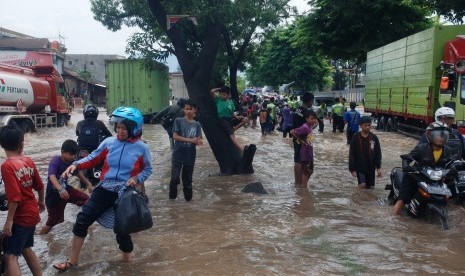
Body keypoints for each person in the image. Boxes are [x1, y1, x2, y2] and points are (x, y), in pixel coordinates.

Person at [53, 106, 153, 271]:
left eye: (124, 128)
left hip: (125, 193)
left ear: (135, 128)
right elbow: (92, 158)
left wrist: (136, 178)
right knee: (82, 220)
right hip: (104, 188)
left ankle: (127, 264)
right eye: (118, 127)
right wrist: (76, 164)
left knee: (122, 230)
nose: (120, 131)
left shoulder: (142, 148)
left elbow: (148, 170)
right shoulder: (108, 143)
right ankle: (72, 261)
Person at [0, 124, 45, 276]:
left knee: (10, 256)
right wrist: (41, 201)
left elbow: (15, 197)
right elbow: (39, 186)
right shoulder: (28, 161)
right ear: (21, 143)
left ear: (1, 144)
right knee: (26, 249)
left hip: (21, 217)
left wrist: (9, 220)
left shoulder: (7, 166)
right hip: (32, 213)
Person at [392, 122, 459, 215]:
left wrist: (453, 168)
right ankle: (393, 219)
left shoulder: (448, 150)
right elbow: (407, 158)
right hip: (417, 177)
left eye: (444, 135)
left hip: (435, 179)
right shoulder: (421, 148)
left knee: (448, 195)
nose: (441, 138)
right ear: (429, 135)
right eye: (438, 135)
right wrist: (406, 167)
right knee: (403, 199)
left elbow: (450, 162)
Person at [38, 140, 93, 235]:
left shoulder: (71, 162)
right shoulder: (55, 161)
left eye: (74, 155)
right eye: (71, 154)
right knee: (52, 222)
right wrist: (60, 189)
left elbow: (77, 172)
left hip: (66, 191)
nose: (73, 157)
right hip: (53, 196)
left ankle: (84, 223)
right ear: (63, 152)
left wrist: (88, 183)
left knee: (86, 199)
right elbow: (52, 176)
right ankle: (39, 236)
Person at [169, 99, 203, 201]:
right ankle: (172, 201)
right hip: (178, 154)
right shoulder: (178, 121)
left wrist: (198, 141)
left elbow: (199, 139)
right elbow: (175, 136)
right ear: (184, 110)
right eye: (186, 109)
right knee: (174, 179)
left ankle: (188, 203)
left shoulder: (197, 124)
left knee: (187, 181)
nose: (188, 111)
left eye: (190, 109)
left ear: (195, 110)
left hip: (190, 156)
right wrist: (190, 140)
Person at [211, 86, 248, 152]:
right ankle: (241, 148)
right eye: (221, 94)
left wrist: (237, 117)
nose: (222, 96)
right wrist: (220, 88)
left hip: (230, 118)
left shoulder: (231, 102)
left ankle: (233, 129)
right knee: (232, 135)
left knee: (245, 119)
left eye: (224, 94)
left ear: (228, 95)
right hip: (222, 119)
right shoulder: (218, 99)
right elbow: (212, 91)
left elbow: (232, 114)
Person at [349, 116, 382, 189]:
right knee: (362, 185)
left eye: (369, 125)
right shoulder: (355, 137)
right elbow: (351, 153)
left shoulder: (374, 137)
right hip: (360, 166)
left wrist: (378, 167)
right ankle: (359, 199)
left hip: (371, 166)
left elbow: (378, 153)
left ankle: (368, 200)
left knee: (371, 188)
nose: (367, 127)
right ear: (360, 126)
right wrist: (352, 168)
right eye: (365, 125)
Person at [291, 109, 318, 188]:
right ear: (306, 119)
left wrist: (317, 121)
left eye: (314, 118)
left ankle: (303, 186)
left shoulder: (309, 126)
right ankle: (304, 190)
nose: (313, 120)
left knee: (310, 171)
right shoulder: (305, 127)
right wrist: (300, 141)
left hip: (309, 152)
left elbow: (314, 124)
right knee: (306, 172)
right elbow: (292, 132)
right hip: (305, 153)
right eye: (311, 118)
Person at [292, 92, 315, 186]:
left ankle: (297, 182)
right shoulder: (307, 113)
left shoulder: (296, 110)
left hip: (296, 137)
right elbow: (310, 126)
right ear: (310, 101)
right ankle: (302, 184)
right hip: (304, 139)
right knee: (306, 163)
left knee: (297, 160)